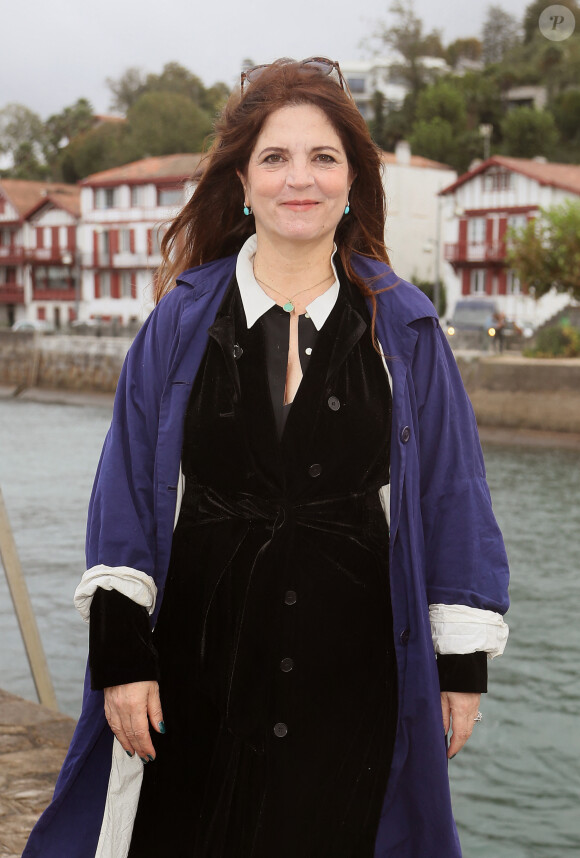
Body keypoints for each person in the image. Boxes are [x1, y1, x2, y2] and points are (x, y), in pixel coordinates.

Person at [24, 57, 509, 858]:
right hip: (194, 668)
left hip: (353, 675)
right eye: (275, 159)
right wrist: (121, 657)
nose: (300, 180)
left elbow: (454, 495)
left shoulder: (407, 328)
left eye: (323, 158)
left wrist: (459, 668)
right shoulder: (179, 321)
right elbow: (124, 494)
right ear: (242, 183)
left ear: (352, 180)